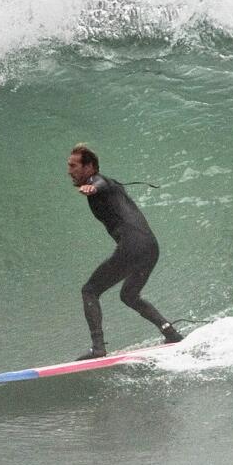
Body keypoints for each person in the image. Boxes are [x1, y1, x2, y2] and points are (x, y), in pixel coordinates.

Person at [67, 144, 183, 360]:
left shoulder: (99, 182)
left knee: (89, 291)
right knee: (129, 295)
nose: (69, 170)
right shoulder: (112, 185)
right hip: (150, 246)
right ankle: (171, 333)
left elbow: (99, 184)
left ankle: (98, 348)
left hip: (132, 246)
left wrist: (92, 188)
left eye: (73, 166)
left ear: (89, 166)